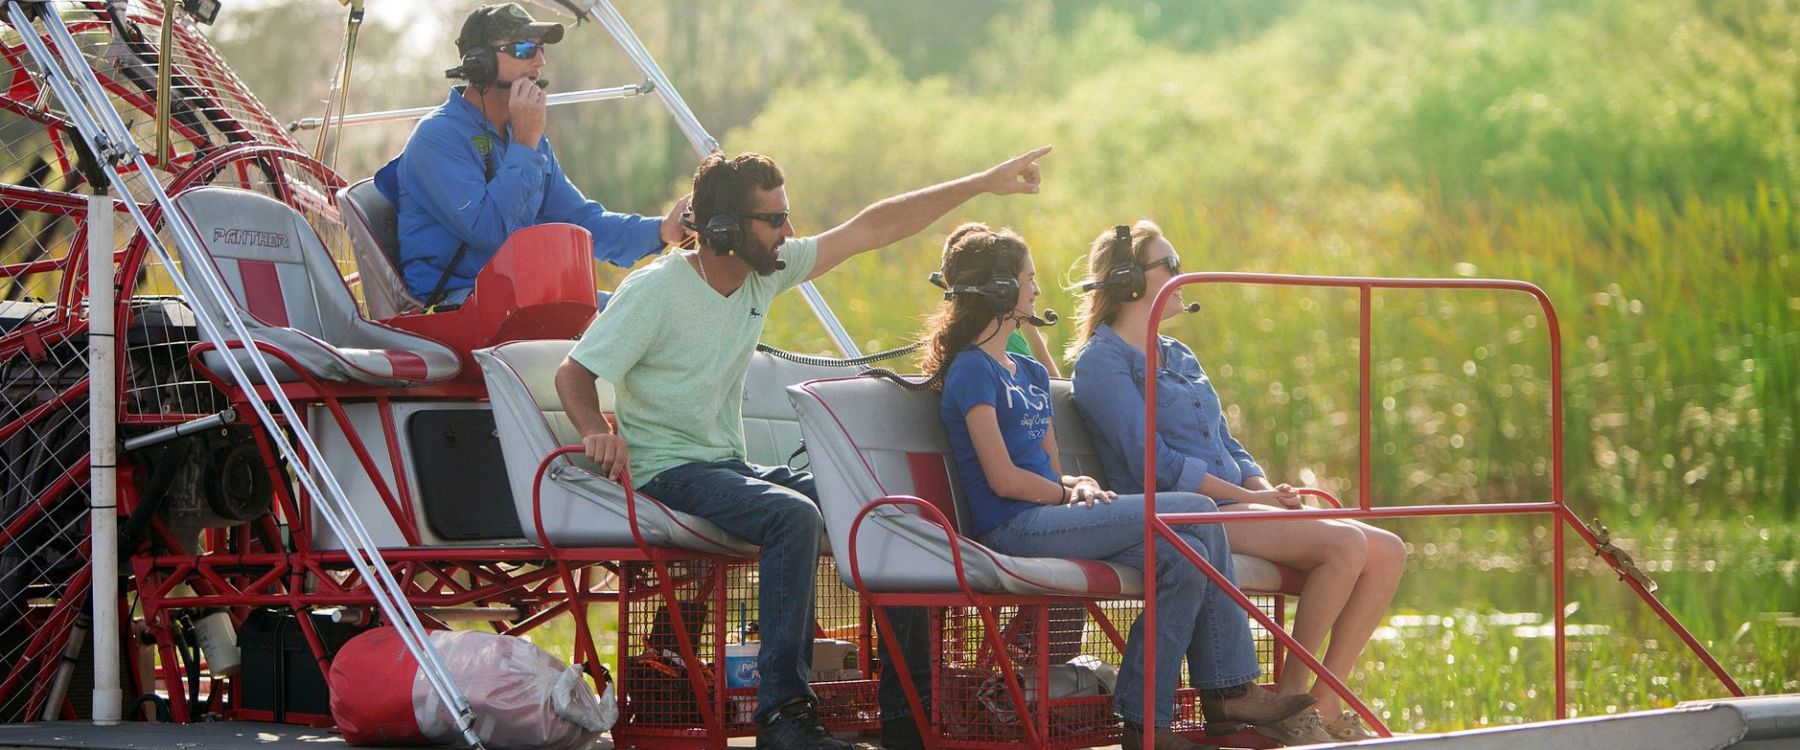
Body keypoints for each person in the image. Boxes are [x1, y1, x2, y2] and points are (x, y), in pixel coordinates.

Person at [554, 147, 1051, 750]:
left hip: (724, 466)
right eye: (775, 220)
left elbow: (869, 227)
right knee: (793, 514)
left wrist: (982, 183)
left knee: (883, 511)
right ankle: (783, 716)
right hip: (667, 471)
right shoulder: (654, 291)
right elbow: (573, 375)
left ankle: (911, 717)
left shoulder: (765, 269)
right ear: (726, 230)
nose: (789, 232)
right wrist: (595, 432)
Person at [923, 224, 1316, 750]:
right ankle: (1228, 689)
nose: (1037, 290)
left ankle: (1143, 725)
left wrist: (1078, 482)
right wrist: (1065, 494)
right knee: (1197, 510)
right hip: (1013, 528)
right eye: (1029, 279)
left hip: (1054, 516)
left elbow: (1048, 468)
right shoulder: (973, 370)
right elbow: (1003, 478)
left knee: (1182, 560)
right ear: (999, 292)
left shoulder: (1032, 376)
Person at [1068, 220, 1408, 744]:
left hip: (1232, 504)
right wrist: (1251, 499)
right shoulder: (1103, 363)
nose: (1184, 277)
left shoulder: (1178, 355)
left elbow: (1225, 443)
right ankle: (1293, 706)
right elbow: (1153, 463)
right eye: (1171, 267)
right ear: (1131, 281)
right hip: (1178, 512)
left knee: (1388, 549)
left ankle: (1326, 700)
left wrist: (1268, 489)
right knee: (1345, 545)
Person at [374, 3, 690, 308]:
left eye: (541, 49)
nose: (539, 61)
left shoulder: (524, 135)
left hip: (520, 297)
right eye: (524, 49)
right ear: (479, 63)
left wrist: (661, 230)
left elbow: (580, 220)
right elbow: (490, 233)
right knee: (625, 324)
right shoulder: (438, 137)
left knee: (641, 310)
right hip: (456, 306)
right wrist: (524, 142)